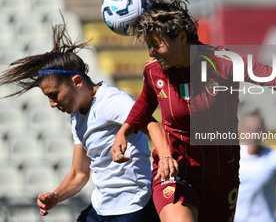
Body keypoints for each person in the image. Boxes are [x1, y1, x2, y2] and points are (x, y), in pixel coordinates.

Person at [110, 0, 276, 222]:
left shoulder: (222, 61)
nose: (151, 52)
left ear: (182, 37)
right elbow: (145, 104)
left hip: (222, 173)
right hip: (177, 171)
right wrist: (124, 131)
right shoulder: (154, 71)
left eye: (156, 45)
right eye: (149, 46)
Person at [0, 23, 161, 222]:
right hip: (102, 206)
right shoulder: (77, 116)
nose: (51, 104)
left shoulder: (112, 101)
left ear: (77, 82)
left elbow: (153, 125)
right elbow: (79, 173)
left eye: (54, 95)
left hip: (132, 206)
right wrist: (56, 195)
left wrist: (166, 157)